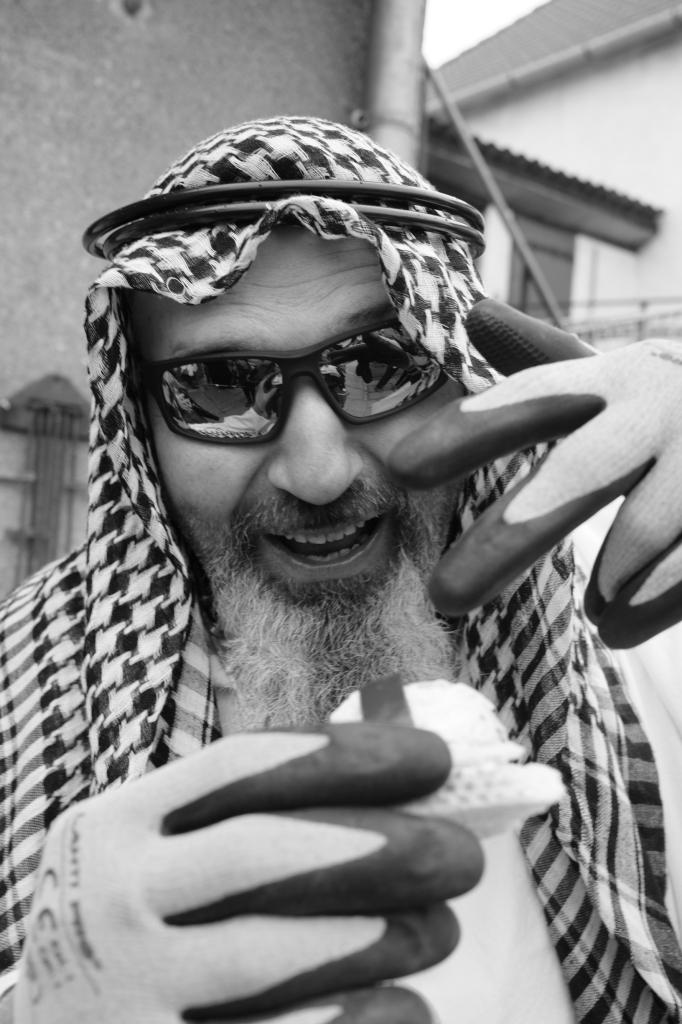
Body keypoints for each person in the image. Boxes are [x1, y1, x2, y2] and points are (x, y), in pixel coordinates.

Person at [0, 116, 680, 1024]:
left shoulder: (641, 613)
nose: (317, 473)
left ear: (459, 369)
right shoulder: (21, 687)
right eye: (218, 385)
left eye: (380, 365)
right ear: (144, 433)